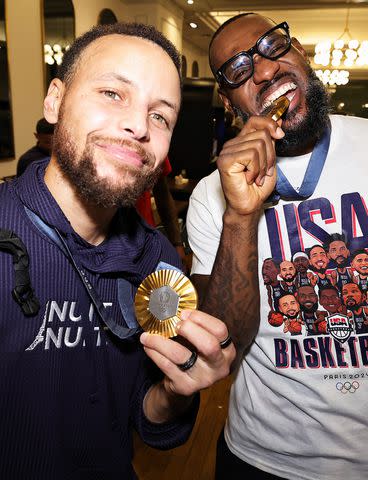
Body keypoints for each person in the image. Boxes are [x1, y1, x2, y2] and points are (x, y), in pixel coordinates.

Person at [0, 22, 235, 479]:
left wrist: (176, 390)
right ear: (55, 100)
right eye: (112, 93)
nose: (137, 126)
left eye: (160, 116)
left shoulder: (160, 264)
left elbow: (148, 419)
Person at [186, 11, 368, 480]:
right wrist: (241, 214)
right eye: (240, 70)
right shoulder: (210, 194)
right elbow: (222, 342)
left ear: (301, 53)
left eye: (273, 47)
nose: (265, 70)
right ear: (230, 104)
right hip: (265, 459)